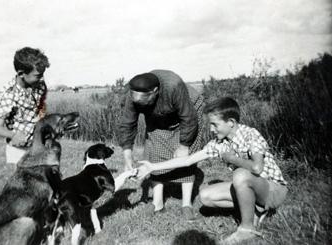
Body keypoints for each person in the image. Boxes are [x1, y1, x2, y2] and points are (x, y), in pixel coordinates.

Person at [137, 97, 288, 244]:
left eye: (215, 124)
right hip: (253, 187)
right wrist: (153, 166)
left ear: (231, 122)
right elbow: (187, 160)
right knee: (205, 196)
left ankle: (247, 230)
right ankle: (255, 210)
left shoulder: (250, 134)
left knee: (240, 174)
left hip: (273, 191)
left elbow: (257, 167)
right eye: (210, 125)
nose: (211, 129)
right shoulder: (219, 143)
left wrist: (232, 159)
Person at [117, 70, 205, 220]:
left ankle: (186, 204)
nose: (139, 105)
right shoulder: (134, 95)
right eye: (136, 102)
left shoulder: (174, 86)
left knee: (185, 158)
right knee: (154, 148)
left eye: (142, 102)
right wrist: (127, 155)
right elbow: (127, 123)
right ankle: (157, 203)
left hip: (189, 109)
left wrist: (184, 146)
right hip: (158, 113)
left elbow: (188, 118)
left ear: (155, 91)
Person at [0, 47, 49, 165]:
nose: (42, 79)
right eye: (38, 75)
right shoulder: (8, 94)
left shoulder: (40, 85)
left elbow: (42, 104)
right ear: (21, 73)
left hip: (39, 145)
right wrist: (13, 135)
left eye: (43, 74)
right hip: (18, 150)